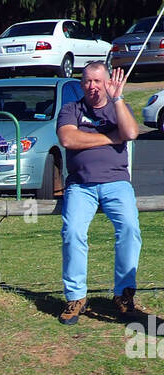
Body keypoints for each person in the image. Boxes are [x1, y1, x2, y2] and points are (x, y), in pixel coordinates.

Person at [56, 62, 141, 325]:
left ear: (107, 82)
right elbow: (69, 139)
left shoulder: (118, 107)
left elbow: (130, 133)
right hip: (81, 185)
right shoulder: (72, 109)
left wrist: (118, 99)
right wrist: (110, 138)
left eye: (97, 81)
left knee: (128, 228)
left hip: (116, 183)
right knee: (73, 233)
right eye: (87, 82)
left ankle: (124, 295)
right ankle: (76, 297)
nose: (92, 87)